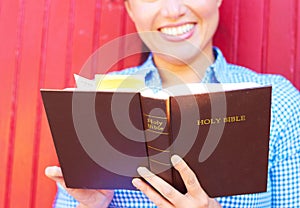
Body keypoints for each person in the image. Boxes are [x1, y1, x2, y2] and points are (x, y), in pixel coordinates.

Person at [45, 0, 300, 207]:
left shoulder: (279, 101)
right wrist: (93, 206)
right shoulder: (94, 102)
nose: (173, 10)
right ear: (130, 8)